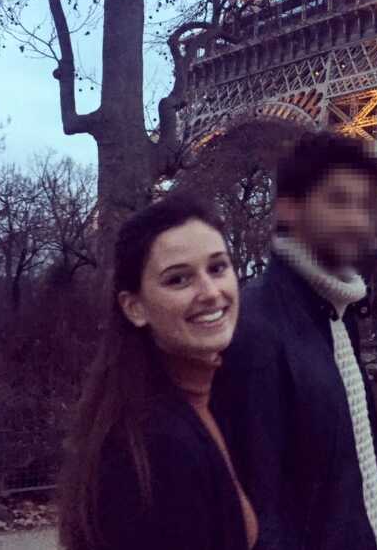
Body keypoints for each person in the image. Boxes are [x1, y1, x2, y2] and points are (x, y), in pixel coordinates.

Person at [212, 131, 377, 550]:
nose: (356, 220)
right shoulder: (253, 328)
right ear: (288, 209)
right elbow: (260, 511)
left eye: (365, 206)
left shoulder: (337, 315)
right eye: (337, 201)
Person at [58, 195, 258, 550]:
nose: (211, 293)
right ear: (135, 308)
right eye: (179, 279)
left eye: (217, 268)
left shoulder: (204, 403)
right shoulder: (150, 445)